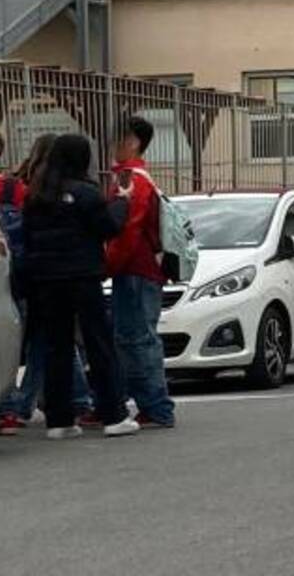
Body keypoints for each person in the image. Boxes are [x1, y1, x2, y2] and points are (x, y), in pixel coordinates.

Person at [21, 134, 137, 438]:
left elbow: (28, 238)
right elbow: (108, 227)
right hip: (83, 276)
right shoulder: (86, 193)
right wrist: (123, 202)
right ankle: (114, 415)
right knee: (98, 343)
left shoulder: (36, 195)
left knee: (56, 347)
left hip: (46, 279)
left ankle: (59, 420)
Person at [0, 133, 96, 435]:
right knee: (52, 342)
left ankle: (15, 406)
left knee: (30, 341)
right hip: (52, 274)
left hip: (11, 272)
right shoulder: (44, 190)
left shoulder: (12, 185)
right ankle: (74, 398)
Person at [105, 116, 176, 429]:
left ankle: (156, 405)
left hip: (134, 268)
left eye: (117, 138)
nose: (112, 144)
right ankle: (152, 404)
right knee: (137, 337)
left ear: (132, 141)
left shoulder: (130, 179)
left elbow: (127, 229)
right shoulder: (139, 176)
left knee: (137, 338)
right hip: (142, 268)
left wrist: (107, 264)